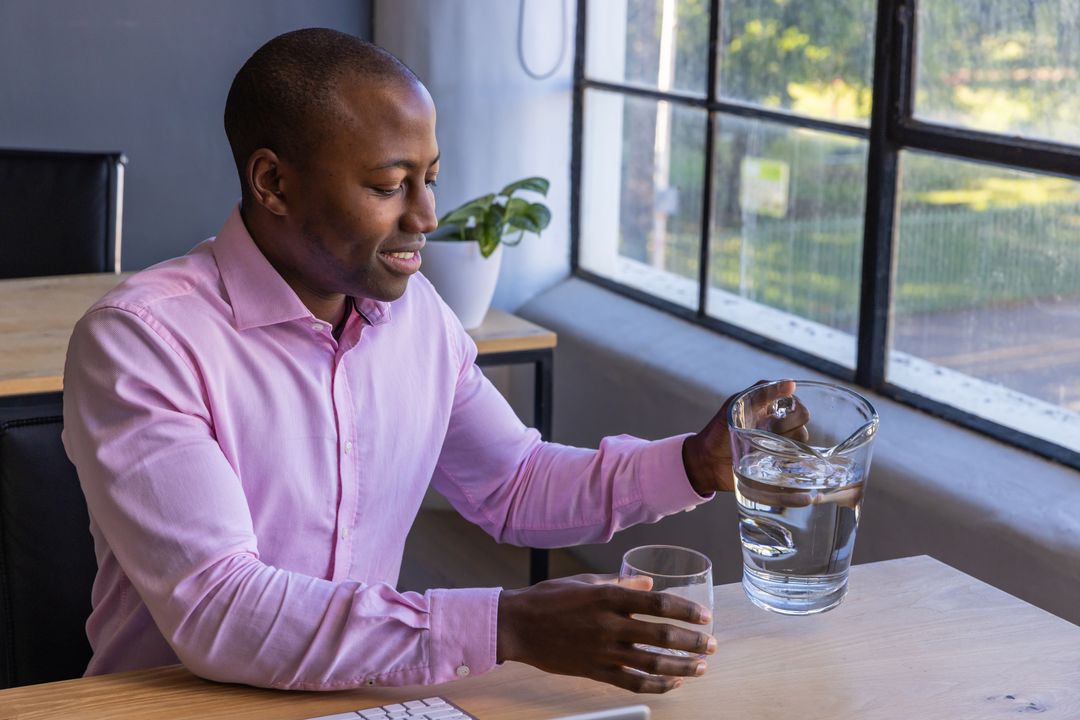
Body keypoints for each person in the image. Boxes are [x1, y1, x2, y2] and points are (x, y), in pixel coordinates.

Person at [62, 28, 808, 695]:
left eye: (431, 178)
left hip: (359, 695)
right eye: (388, 187)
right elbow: (221, 610)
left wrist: (695, 464)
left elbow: (513, 483)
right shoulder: (141, 341)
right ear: (273, 183)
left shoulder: (414, 315)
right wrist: (505, 626)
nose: (425, 218)